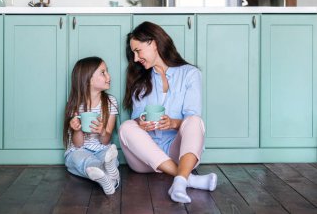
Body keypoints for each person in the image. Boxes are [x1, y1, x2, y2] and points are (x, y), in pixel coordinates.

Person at [119, 21, 217, 203]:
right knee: (126, 126)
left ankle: (179, 181)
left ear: (153, 43)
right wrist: (141, 121)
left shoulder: (190, 74)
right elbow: (136, 117)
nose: (135, 58)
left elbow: (190, 117)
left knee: (195, 121)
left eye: (138, 51)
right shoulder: (139, 78)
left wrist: (173, 123)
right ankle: (188, 178)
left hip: (179, 153)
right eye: (133, 53)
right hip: (144, 158)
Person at [64, 56, 120, 195]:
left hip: (101, 148)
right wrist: (76, 129)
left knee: (110, 156)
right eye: (103, 72)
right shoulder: (75, 105)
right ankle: (107, 175)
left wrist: (102, 131)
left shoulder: (110, 102)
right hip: (79, 150)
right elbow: (77, 145)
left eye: (107, 71)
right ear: (88, 79)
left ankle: (103, 176)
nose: (108, 76)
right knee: (78, 159)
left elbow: (105, 140)